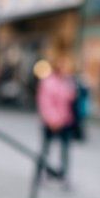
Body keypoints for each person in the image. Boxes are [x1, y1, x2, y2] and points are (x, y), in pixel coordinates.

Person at [34, 56, 77, 189]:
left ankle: (64, 176)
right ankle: (41, 174)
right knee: (46, 149)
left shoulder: (67, 82)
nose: (66, 69)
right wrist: (52, 119)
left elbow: (70, 99)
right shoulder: (48, 81)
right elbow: (45, 102)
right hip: (51, 122)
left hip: (65, 121)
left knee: (65, 151)